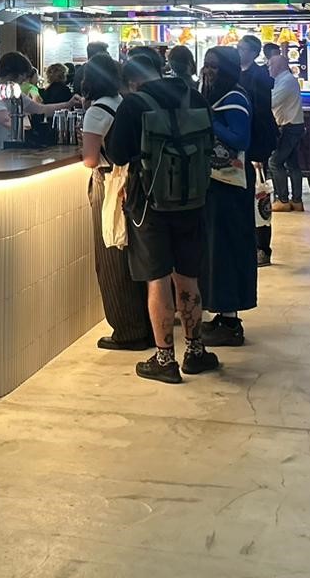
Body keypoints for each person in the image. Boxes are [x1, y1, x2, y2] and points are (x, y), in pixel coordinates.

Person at [105, 47, 218, 383]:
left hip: (149, 205)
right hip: (193, 200)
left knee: (158, 279)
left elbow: (118, 154)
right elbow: (211, 141)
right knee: (188, 277)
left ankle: (164, 358)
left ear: (134, 78)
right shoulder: (194, 97)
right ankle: (195, 351)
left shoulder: (135, 104)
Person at [80, 56, 152, 351]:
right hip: (132, 182)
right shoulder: (122, 101)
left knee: (110, 257)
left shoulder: (96, 111)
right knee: (129, 254)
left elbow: (90, 160)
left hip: (109, 182)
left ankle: (126, 329)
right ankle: (142, 323)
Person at [198, 46, 256, 347]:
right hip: (216, 186)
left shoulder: (234, 98)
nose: (207, 71)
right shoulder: (218, 95)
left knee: (227, 250)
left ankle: (231, 321)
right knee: (215, 251)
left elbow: (240, 138)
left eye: (214, 67)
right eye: (205, 65)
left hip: (231, 187)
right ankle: (223, 313)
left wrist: (211, 120)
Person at [0, 52, 78, 152]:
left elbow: (39, 109)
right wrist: (31, 134)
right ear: (15, 74)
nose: (24, 81)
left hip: (5, 151)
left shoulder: (13, 90)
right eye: (23, 77)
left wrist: (68, 104)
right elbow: (4, 119)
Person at [235, 35, 278, 264]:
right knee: (245, 196)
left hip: (257, 143)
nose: (238, 51)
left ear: (253, 52)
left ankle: (263, 247)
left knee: (260, 195)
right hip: (241, 144)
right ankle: (248, 244)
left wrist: (259, 151)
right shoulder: (235, 73)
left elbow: (261, 112)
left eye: (242, 48)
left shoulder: (260, 76)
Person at [268, 51, 306, 213]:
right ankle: (296, 201)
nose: (268, 68)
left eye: (270, 65)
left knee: (274, 162)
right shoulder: (287, 80)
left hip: (289, 127)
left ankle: (282, 199)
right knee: (293, 164)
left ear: (278, 66)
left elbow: (273, 101)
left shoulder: (286, 81)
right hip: (295, 125)